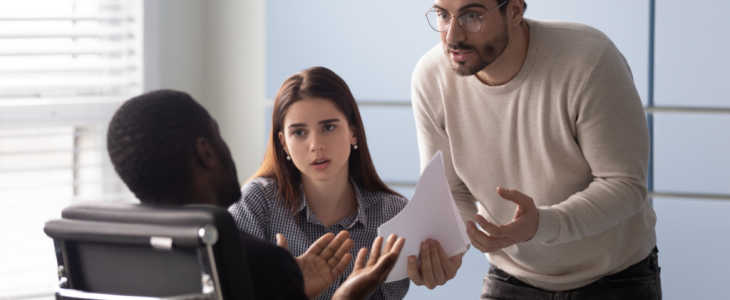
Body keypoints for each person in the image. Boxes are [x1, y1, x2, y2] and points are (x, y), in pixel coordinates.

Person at [408, 0, 661, 299]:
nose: (452, 36)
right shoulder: (431, 77)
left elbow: (624, 184)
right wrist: (451, 244)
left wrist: (542, 224)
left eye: (472, 15)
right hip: (512, 277)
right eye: (442, 15)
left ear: (514, 11)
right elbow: (451, 191)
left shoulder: (589, 59)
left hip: (615, 279)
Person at [106, 89, 405, 300]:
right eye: (218, 134)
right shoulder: (258, 263)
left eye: (328, 127)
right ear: (206, 151)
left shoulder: (114, 256)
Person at [229, 66, 410, 300]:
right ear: (283, 143)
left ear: (353, 131)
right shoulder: (257, 203)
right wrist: (288, 292)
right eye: (299, 133)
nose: (315, 145)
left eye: (328, 127)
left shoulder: (393, 214)